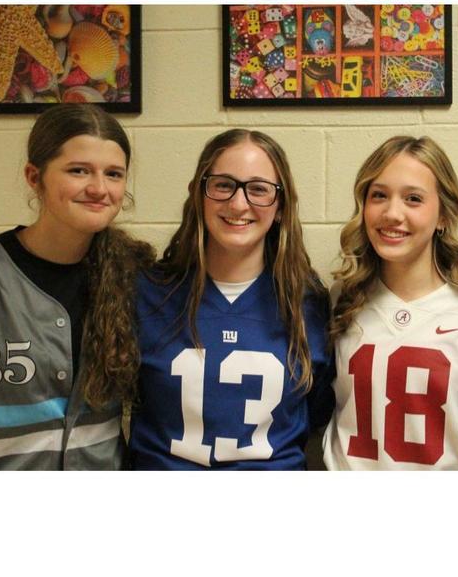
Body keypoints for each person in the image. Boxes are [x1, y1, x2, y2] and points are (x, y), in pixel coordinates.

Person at [0, 103, 154, 470]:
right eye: (78, 171)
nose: (99, 188)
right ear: (34, 176)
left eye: (113, 174)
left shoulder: (134, 276)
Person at [128, 129, 334, 470]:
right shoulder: (148, 292)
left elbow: (316, 411)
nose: (239, 204)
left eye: (258, 189)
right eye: (223, 185)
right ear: (199, 193)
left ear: (281, 206)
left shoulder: (307, 303)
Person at [324, 136, 458, 470]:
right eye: (379, 196)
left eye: (413, 199)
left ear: (443, 214)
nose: (392, 213)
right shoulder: (339, 299)